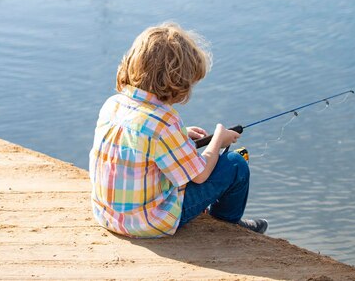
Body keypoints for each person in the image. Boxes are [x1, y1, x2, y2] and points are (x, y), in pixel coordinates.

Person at [89, 22, 268, 238]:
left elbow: (143, 144)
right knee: (235, 164)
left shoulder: (113, 105)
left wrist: (182, 135)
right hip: (148, 223)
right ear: (179, 81)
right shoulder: (164, 122)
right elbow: (200, 175)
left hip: (108, 215)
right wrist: (218, 138)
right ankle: (228, 223)